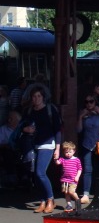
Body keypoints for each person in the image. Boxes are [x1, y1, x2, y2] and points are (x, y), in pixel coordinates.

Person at [23, 85, 62, 213]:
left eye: (39, 96)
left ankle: (51, 199)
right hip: (33, 144)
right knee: (35, 174)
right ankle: (42, 201)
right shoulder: (29, 111)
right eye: (34, 96)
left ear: (43, 97)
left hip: (47, 144)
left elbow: (57, 130)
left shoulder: (51, 110)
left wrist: (57, 148)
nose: (36, 99)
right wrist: (26, 129)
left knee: (40, 172)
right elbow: (21, 126)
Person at [76, 93, 99, 204]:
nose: (89, 104)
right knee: (87, 169)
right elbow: (78, 130)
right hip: (87, 143)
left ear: (95, 102)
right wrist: (81, 117)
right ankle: (86, 194)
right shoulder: (83, 112)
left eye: (91, 101)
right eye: (87, 102)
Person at [54, 141, 82, 213]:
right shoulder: (63, 159)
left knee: (71, 192)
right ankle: (69, 204)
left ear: (74, 151)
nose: (68, 154)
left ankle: (78, 200)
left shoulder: (76, 160)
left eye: (70, 152)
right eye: (66, 152)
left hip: (73, 180)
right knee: (66, 192)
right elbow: (57, 163)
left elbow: (80, 169)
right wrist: (55, 158)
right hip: (65, 179)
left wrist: (77, 177)